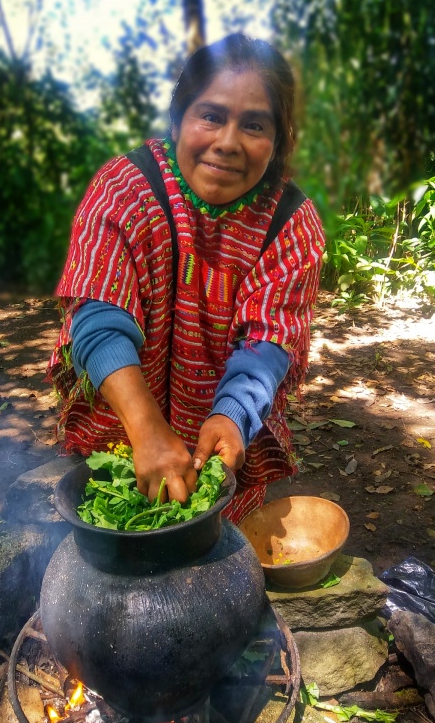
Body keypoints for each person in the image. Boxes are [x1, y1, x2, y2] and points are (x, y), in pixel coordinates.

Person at [47, 34, 324, 524]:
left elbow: (268, 340)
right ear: (179, 119)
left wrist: (233, 414)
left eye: (255, 125)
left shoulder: (290, 222)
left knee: (216, 562)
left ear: (279, 141)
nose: (228, 142)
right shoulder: (125, 189)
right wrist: (147, 431)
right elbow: (98, 318)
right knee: (118, 545)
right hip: (120, 441)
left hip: (218, 456)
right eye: (211, 115)